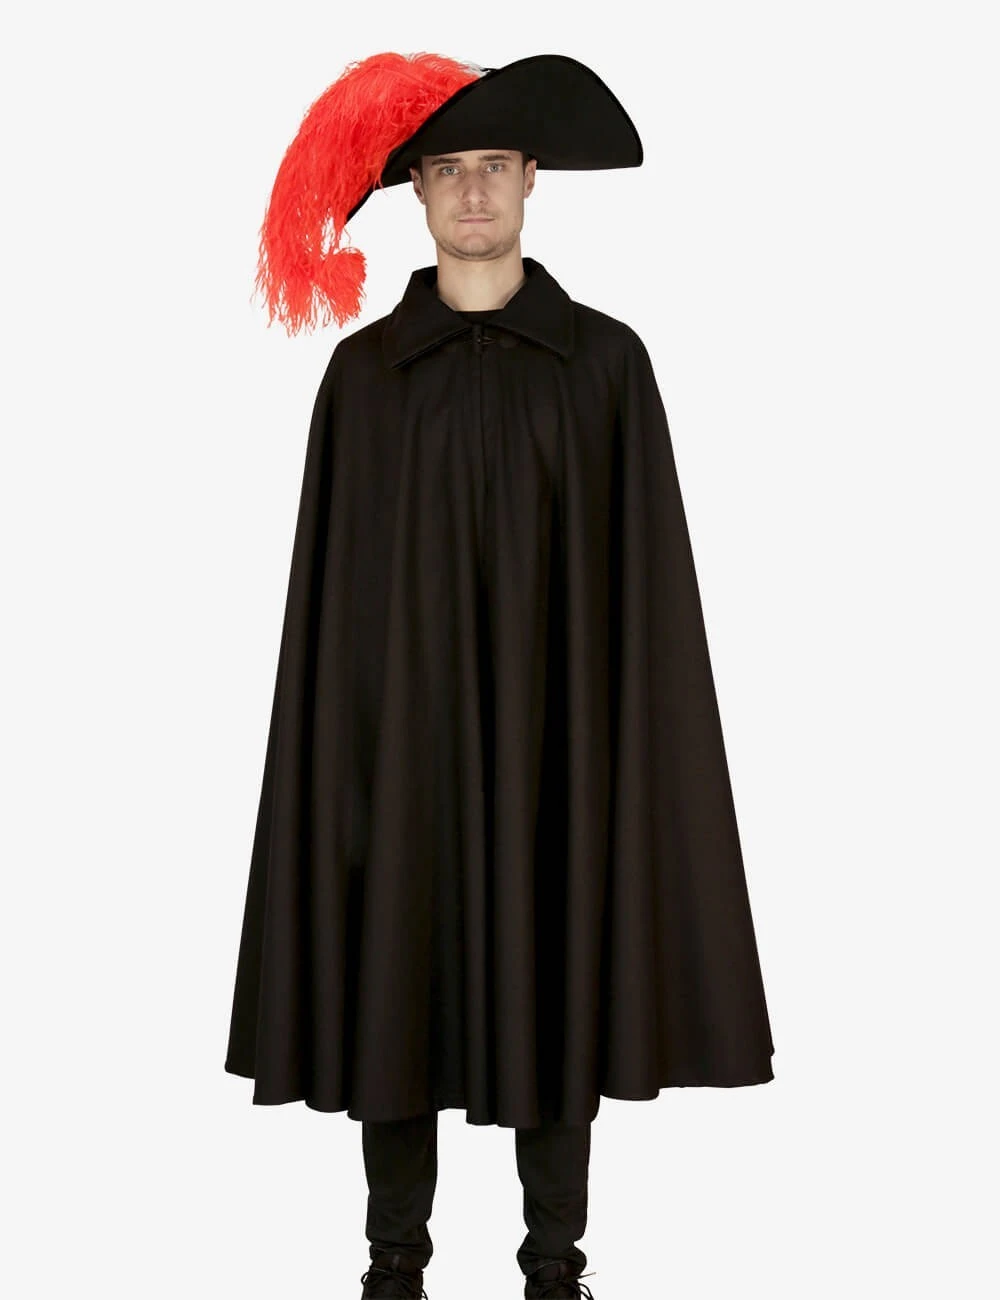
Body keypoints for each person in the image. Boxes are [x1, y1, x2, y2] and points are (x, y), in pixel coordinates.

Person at [224, 53, 775, 1300]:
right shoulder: (365, 379)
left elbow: (642, 585)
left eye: (493, 167)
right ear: (417, 192)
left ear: (532, 180)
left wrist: (608, 750)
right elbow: (331, 605)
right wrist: (348, 764)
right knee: (393, 967)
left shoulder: (603, 366)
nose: (472, 192)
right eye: (446, 170)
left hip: (557, 743)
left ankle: (554, 1267)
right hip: (398, 750)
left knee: (554, 960)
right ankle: (392, 1265)